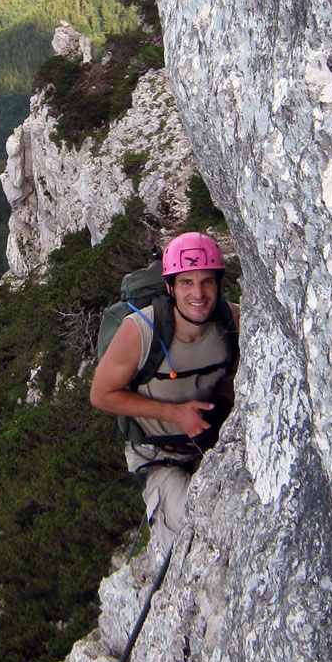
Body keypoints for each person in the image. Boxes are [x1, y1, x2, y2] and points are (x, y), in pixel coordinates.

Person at [90, 232, 240, 550]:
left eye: (207, 282)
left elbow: (235, 374)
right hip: (158, 457)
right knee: (198, 526)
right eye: (186, 282)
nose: (198, 294)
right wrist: (174, 414)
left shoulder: (233, 320)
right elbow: (101, 395)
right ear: (170, 287)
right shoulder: (140, 330)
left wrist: (222, 408)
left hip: (212, 446)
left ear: (219, 284)